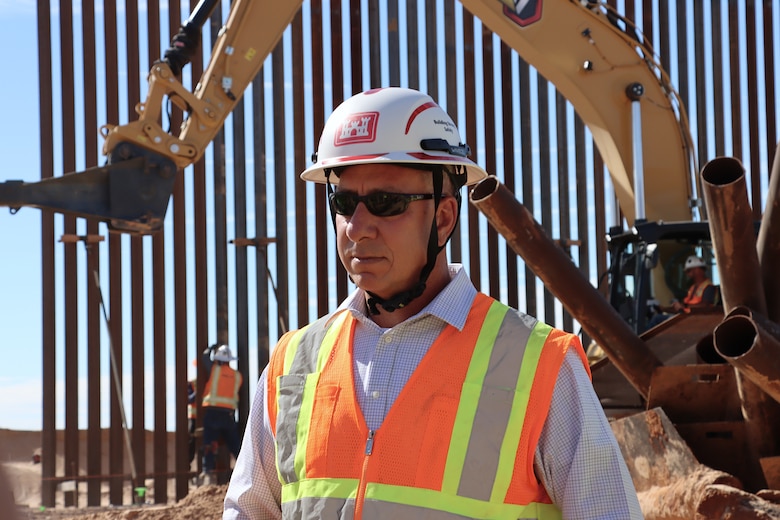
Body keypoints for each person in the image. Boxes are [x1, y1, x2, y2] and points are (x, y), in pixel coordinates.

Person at [224, 87, 642, 518]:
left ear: (444, 216)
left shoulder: (540, 366)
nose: (358, 227)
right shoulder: (293, 363)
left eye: (386, 203)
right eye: (345, 202)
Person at [201, 343, 243, 485]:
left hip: (213, 413)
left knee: (209, 443)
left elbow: (205, 357)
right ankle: (245, 469)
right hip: (228, 416)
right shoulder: (237, 376)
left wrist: (211, 348)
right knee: (235, 445)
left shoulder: (214, 370)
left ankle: (207, 472)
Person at [646, 255, 719, 329]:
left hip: (698, 320)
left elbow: (705, 306)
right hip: (687, 318)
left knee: (657, 319)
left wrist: (684, 306)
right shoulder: (692, 288)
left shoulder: (709, 287)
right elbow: (682, 308)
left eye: (689, 270)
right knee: (658, 318)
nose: (687, 273)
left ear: (698, 269)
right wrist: (664, 309)